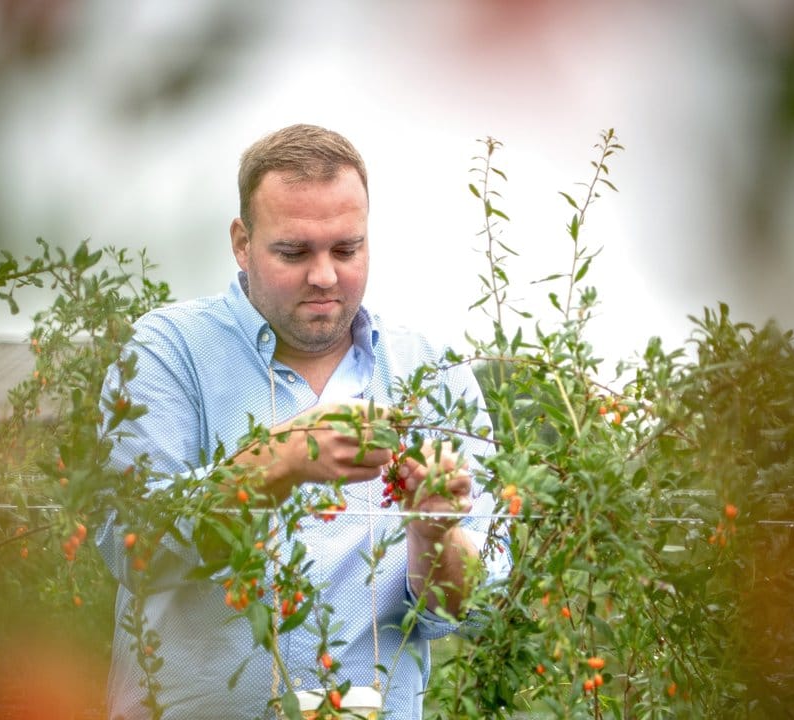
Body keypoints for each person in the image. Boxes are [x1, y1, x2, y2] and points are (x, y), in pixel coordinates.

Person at [94, 124, 507, 719]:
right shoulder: (168, 352)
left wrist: (436, 534)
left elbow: (468, 604)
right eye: (294, 252)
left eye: (347, 249)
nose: (324, 276)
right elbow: (131, 544)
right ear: (242, 243)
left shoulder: (431, 372)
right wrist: (281, 459)